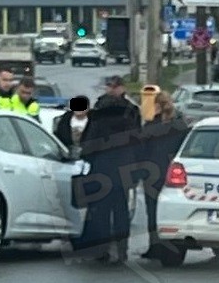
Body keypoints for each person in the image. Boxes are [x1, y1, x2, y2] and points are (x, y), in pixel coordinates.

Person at [76, 76, 143, 264]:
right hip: (123, 168)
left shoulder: (99, 110)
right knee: (121, 209)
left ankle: (101, 250)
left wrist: (87, 157)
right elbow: (138, 141)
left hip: (102, 167)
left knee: (101, 210)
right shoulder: (131, 111)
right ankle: (122, 250)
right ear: (123, 89)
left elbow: (89, 140)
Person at [139, 91, 189, 260]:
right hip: (173, 175)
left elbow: (141, 150)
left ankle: (154, 246)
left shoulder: (150, 126)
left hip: (151, 174)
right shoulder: (180, 125)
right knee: (170, 212)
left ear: (157, 106)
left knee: (152, 211)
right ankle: (169, 246)